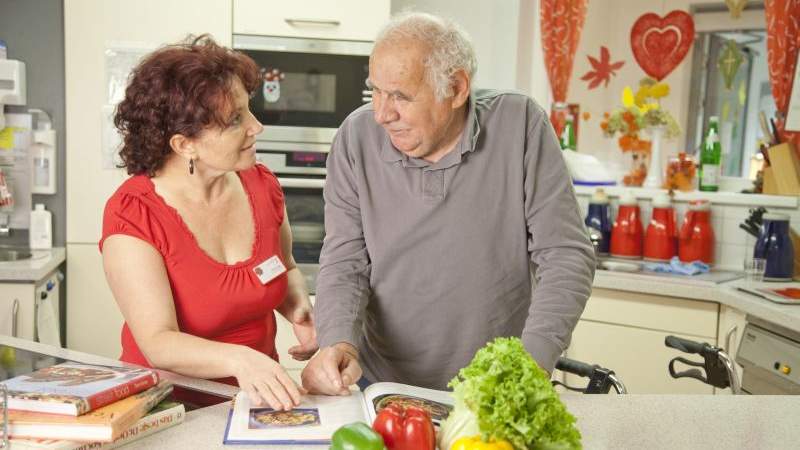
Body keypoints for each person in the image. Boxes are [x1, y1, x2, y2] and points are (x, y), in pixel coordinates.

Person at [301, 12, 595, 394]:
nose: (381, 114)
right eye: (375, 90)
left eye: (400, 96)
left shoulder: (519, 124)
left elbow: (566, 254)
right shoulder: (355, 138)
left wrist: (531, 363)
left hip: (498, 382)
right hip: (382, 382)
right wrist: (338, 341)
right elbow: (345, 260)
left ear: (456, 88)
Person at [100, 36, 317, 411]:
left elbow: (288, 267)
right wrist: (240, 359)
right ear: (185, 145)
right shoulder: (134, 214)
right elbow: (158, 341)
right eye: (235, 120)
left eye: (248, 110)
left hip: (254, 405)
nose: (256, 126)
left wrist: (299, 307)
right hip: (163, 410)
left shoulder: (262, 186)